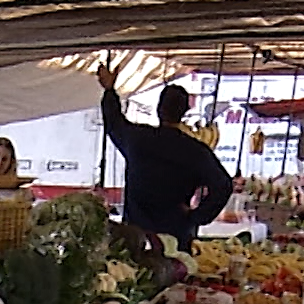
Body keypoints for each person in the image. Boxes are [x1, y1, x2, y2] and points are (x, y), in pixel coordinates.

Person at [95, 63, 233, 249]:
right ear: (185, 112)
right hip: (175, 236)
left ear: (159, 109)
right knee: (176, 267)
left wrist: (109, 90)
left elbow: (114, 122)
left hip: (136, 237)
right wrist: (197, 216)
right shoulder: (195, 151)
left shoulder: (138, 139)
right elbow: (223, 186)